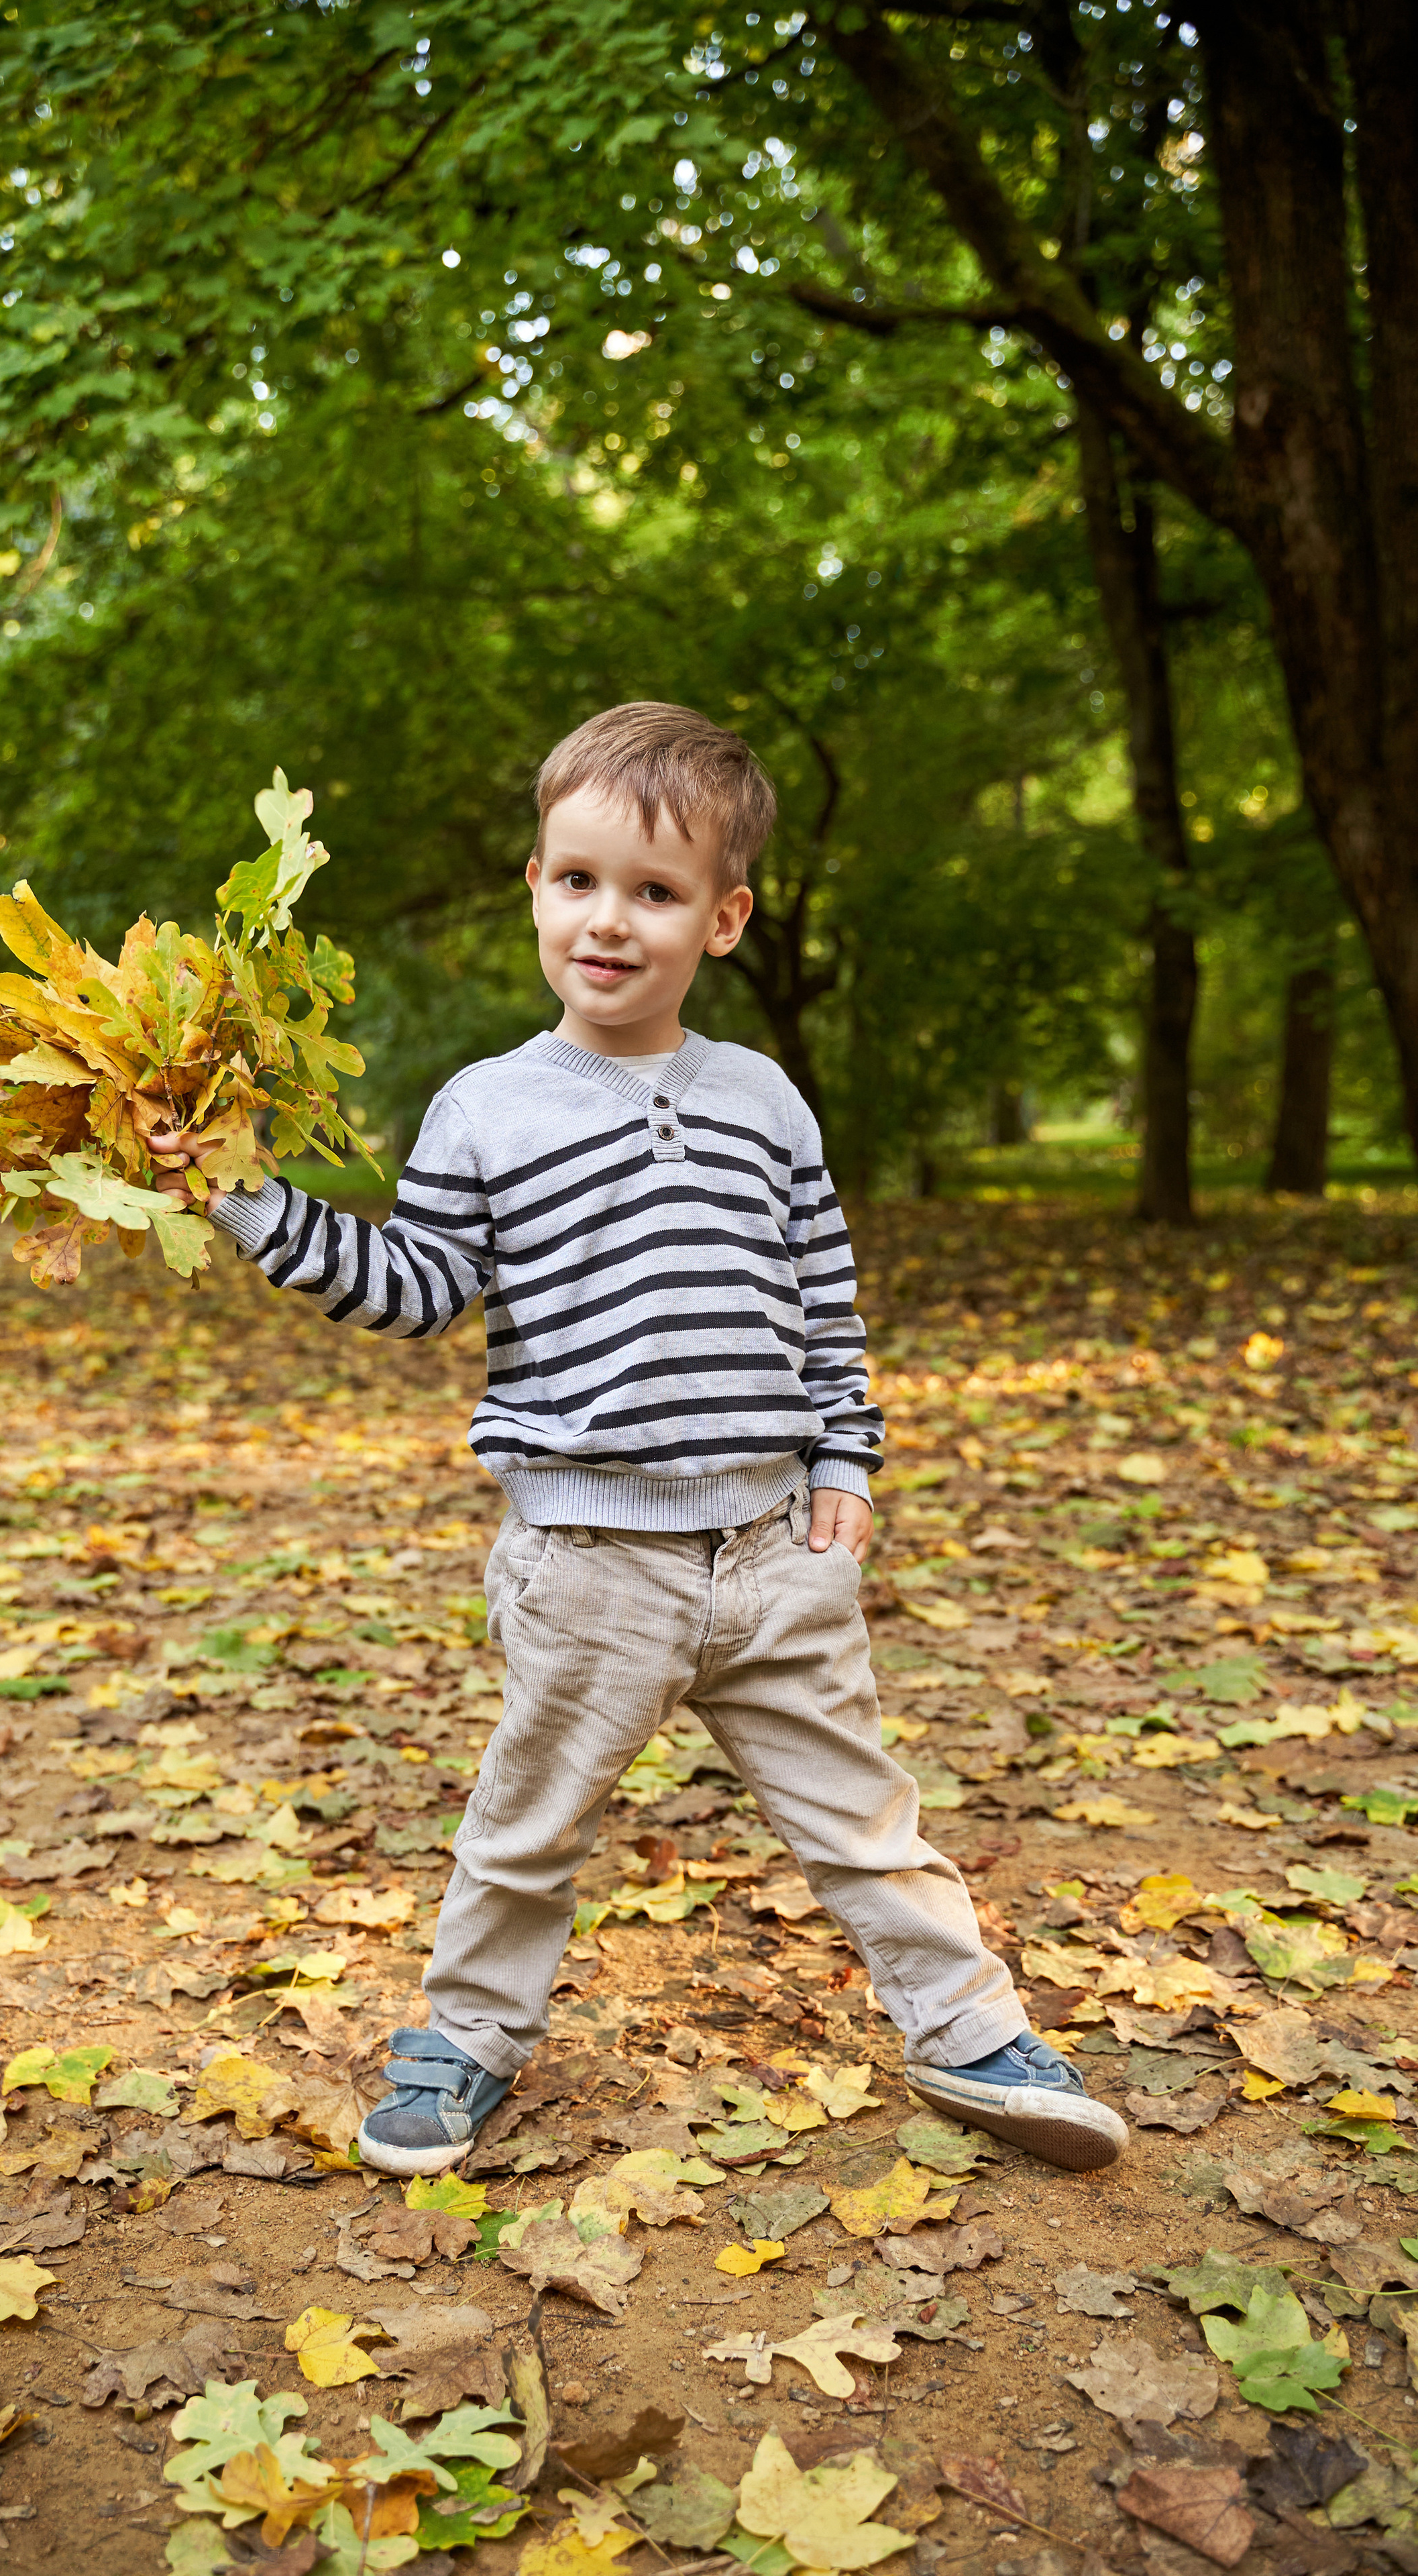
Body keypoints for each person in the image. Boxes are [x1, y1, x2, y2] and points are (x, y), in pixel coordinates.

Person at [152, 702, 1126, 2178]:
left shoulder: (760, 1099)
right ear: (534, 886)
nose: (608, 921)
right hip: (588, 1560)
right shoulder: (485, 1108)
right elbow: (414, 1288)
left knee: (866, 1817)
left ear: (722, 918)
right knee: (523, 1827)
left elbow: (822, 1291)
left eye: (655, 893)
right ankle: (469, 2036)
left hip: (771, 1549)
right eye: (578, 881)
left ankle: (966, 2028)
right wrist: (243, 1201)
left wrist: (846, 1459)